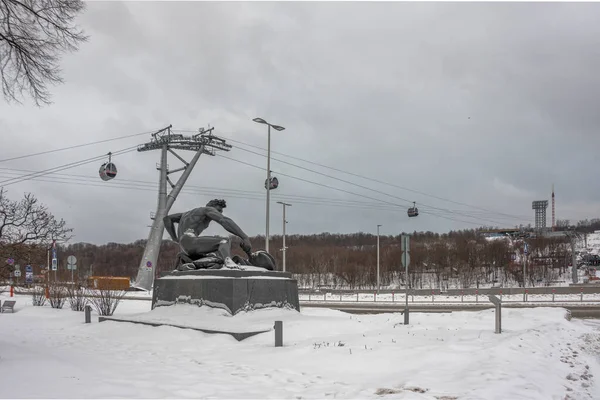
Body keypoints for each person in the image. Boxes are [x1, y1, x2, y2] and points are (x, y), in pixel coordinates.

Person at [163, 199, 253, 269]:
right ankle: (228, 262)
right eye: (218, 210)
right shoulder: (207, 209)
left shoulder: (185, 214)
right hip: (190, 241)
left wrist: (175, 238)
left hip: (184, 246)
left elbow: (167, 219)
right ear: (212, 206)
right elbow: (224, 221)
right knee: (223, 241)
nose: (219, 213)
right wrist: (244, 237)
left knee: (214, 255)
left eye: (220, 212)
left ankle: (198, 264)